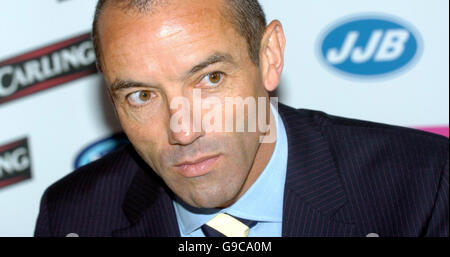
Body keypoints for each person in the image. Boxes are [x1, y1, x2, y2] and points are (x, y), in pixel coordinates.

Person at [35, 0, 448, 237]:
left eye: (210, 79)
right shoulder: (74, 217)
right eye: (142, 96)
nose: (182, 130)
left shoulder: (425, 186)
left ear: (270, 57)